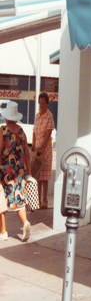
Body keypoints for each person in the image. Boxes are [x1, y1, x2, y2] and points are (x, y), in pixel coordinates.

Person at [0, 99, 30, 242]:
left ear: (6, 117)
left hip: (5, 172)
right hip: (19, 172)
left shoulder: (2, 130)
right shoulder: (21, 131)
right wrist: (28, 171)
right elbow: (26, 152)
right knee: (19, 200)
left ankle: (4, 232)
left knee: (1, 201)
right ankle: (25, 223)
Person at [31, 92, 54, 208]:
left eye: (43, 103)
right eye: (40, 103)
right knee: (37, 176)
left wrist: (42, 147)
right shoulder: (37, 115)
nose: (41, 105)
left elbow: (48, 133)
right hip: (37, 149)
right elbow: (34, 132)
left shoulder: (49, 115)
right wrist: (34, 145)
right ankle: (37, 200)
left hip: (46, 150)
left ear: (47, 103)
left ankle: (44, 200)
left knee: (45, 177)